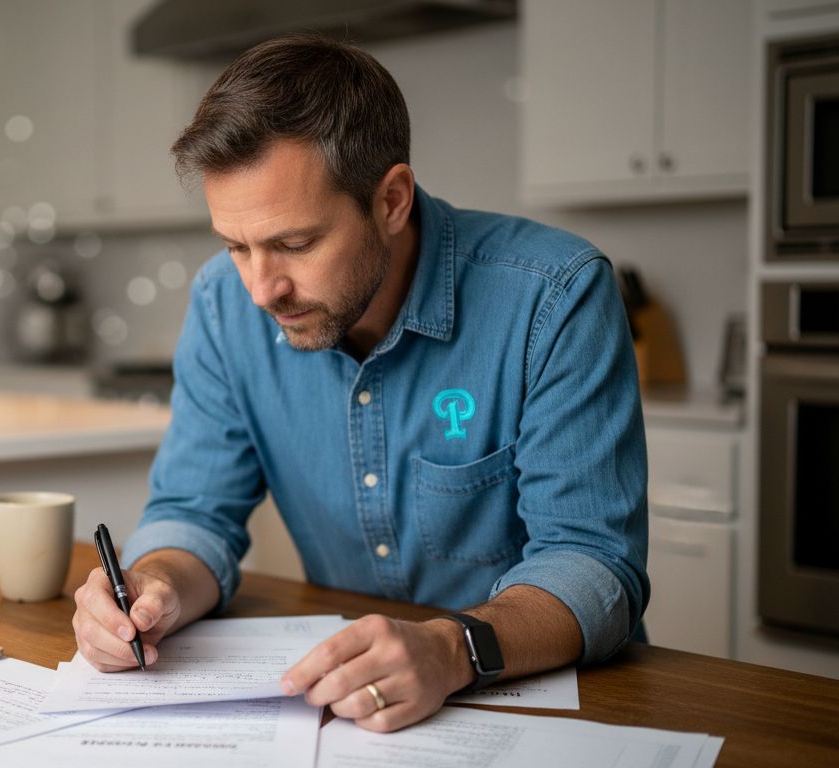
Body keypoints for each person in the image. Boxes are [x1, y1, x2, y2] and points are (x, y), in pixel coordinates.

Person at [71, 32, 649, 733]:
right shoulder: (224, 305)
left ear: (392, 201)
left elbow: (593, 565)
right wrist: (155, 583)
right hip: (343, 714)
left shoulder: (554, 296)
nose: (261, 288)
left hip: (548, 713)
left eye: (294, 244)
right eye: (235, 246)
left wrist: (450, 647)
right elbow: (194, 512)